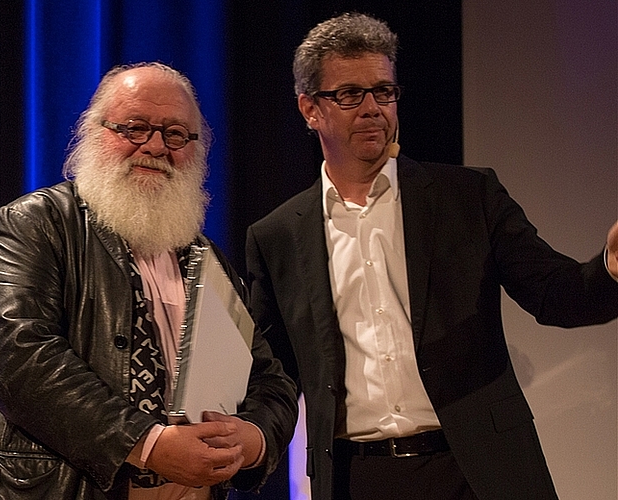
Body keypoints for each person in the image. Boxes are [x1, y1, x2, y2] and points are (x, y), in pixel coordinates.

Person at [241, 12, 618, 500]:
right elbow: (276, 376)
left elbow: (557, 294)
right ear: (311, 110)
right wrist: (245, 441)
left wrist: (610, 267)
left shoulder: (469, 197)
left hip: (477, 471)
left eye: (384, 92)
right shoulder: (275, 238)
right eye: (351, 95)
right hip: (359, 479)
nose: (373, 108)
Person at [0, 62, 297, 500]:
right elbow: (20, 360)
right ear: (95, 132)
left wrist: (252, 439)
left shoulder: (206, 257)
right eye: (135, 128)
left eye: (176, 134)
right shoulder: (36, 224)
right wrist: (149, 444)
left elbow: (269, 380)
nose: (157, 146)